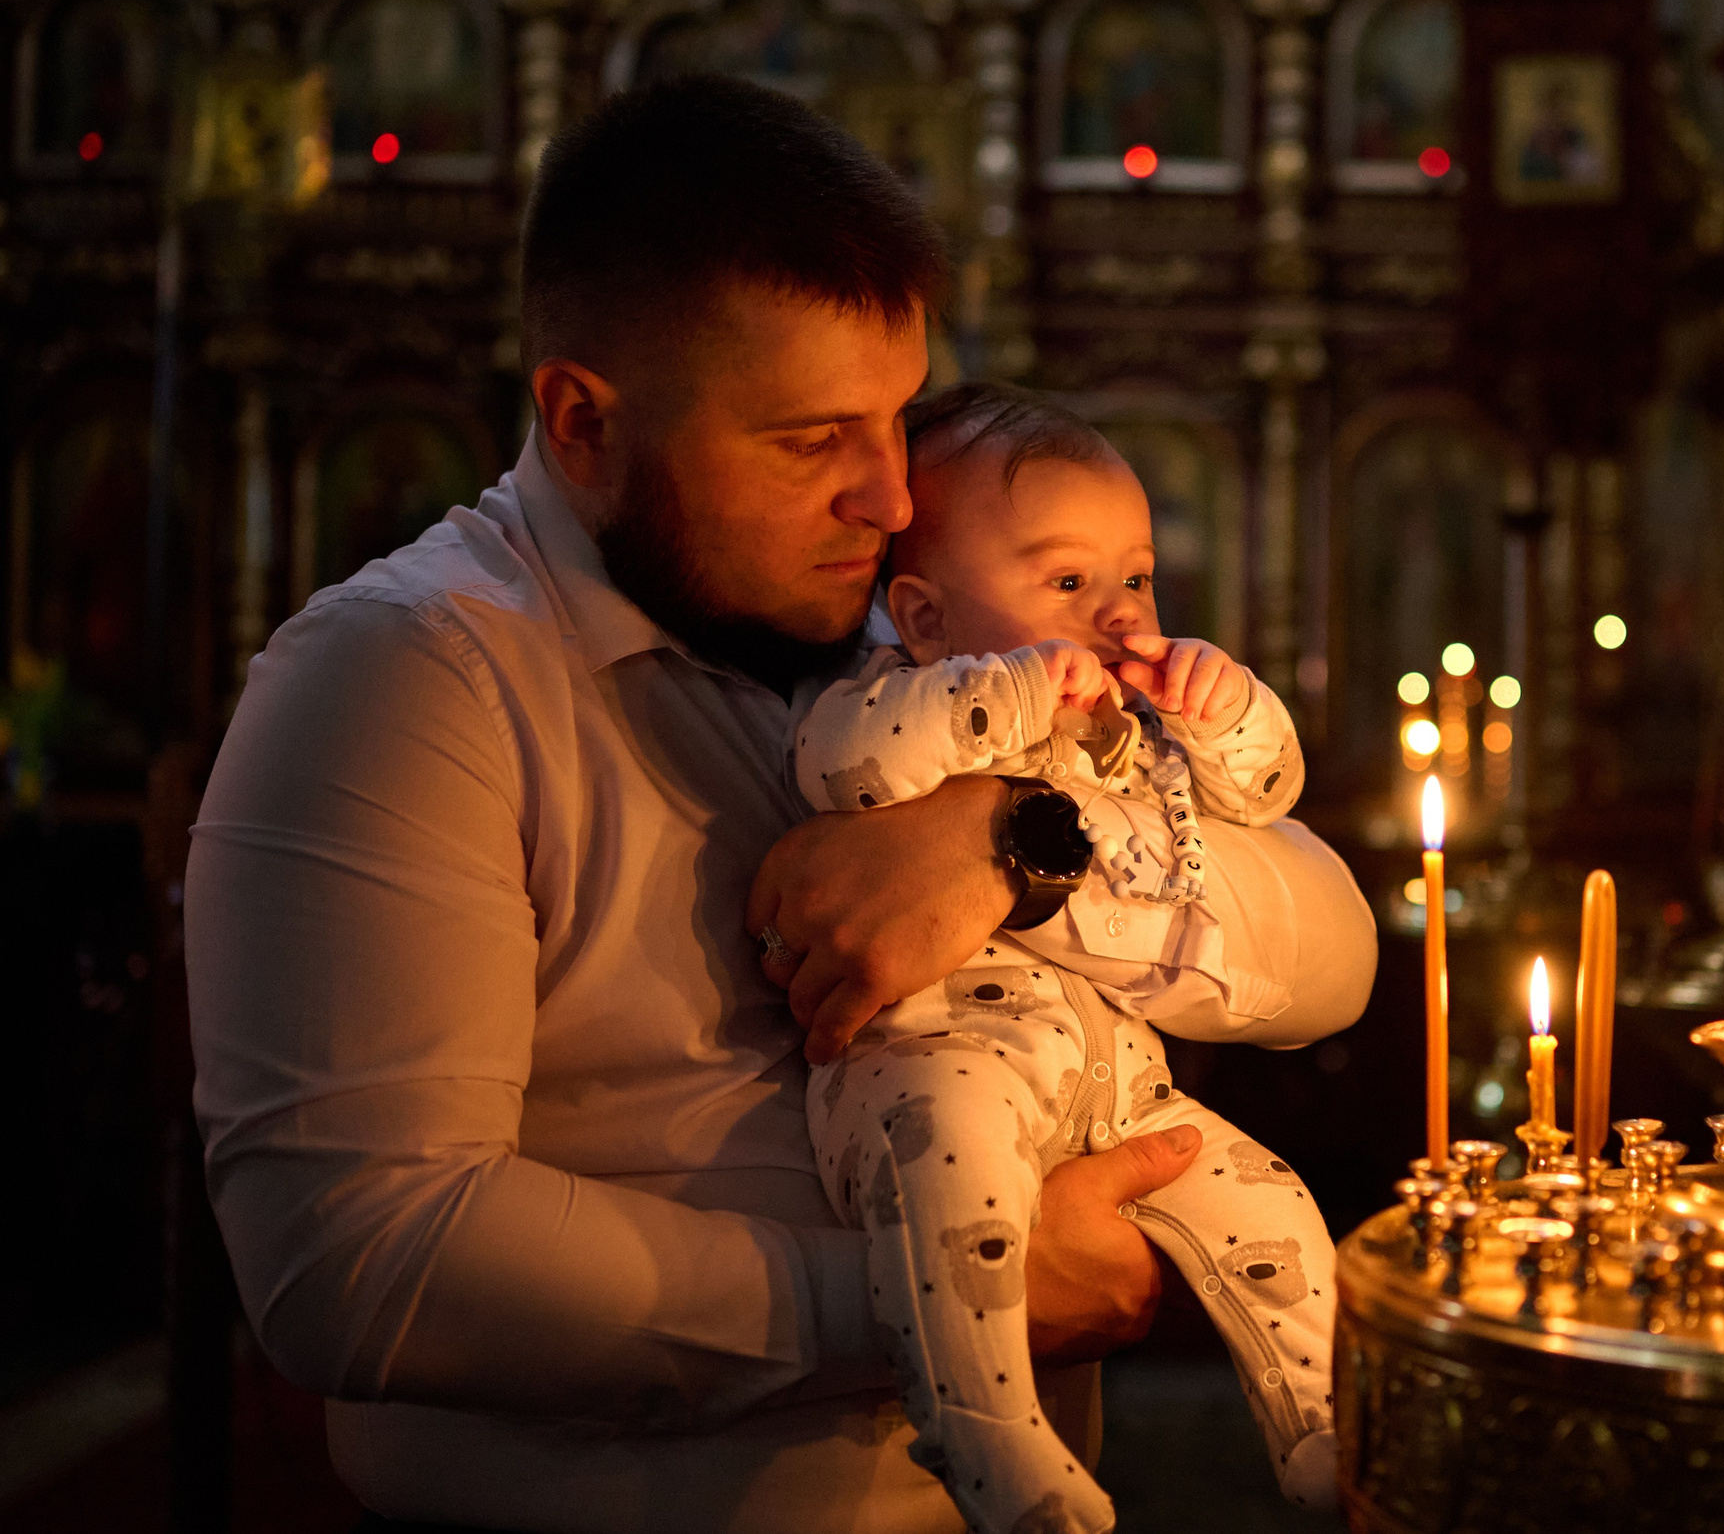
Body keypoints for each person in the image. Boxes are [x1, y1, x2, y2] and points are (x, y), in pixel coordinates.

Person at [183, 74, 1377, 1533]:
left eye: (898, 419)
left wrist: (1013, 849)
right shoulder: (404, 680)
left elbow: (1328, 948)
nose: (887, 498)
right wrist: (936, 1298)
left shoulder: (916, 634)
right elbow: (357, 1261)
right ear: (582, 417)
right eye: (812, 439)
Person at [793, 384, 1335, 1534]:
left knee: (1270, 1206)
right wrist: (1013, 692)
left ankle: (1321, 1429)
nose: (1120, 615)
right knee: (956, 1183)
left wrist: (1226, 705)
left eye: (1134, 578)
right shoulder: (897, 696)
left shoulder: (1130, 732)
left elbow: (1267, 795)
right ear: (926, 617)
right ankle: (983, 1435)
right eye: (1069, 583)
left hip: (1113, 1083)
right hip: (935, 1065)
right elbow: (848, 770)